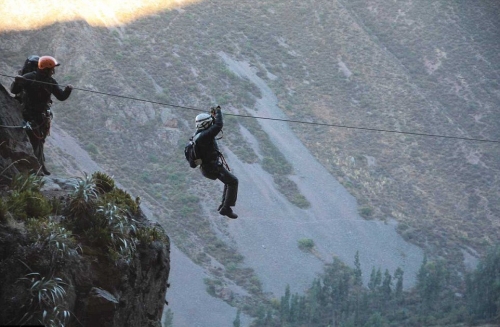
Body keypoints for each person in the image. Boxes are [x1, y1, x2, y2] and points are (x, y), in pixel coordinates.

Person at [10, 55, 73, 175]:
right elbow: (14, 91)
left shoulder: (50, 81)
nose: (53, 72)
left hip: (40, 116)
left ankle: (39, 166)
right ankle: (36, 169)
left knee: (39, 141)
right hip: (28, 114)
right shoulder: (30, 77)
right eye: (52, 69)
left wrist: (68, 90)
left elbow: (61, 96)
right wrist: (17, 82)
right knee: (35, 141)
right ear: (46, 69)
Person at [194, 105, 239, 219]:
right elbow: (218, 125)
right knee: (233, 181)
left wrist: (213, 115)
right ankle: (226, 209)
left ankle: (224, 206)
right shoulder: (205, 136)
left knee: (228, 182)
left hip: (207, 167)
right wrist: (218, 112)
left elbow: (214, 126)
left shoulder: (199, 135)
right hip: (212, 167)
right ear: (206, 124)